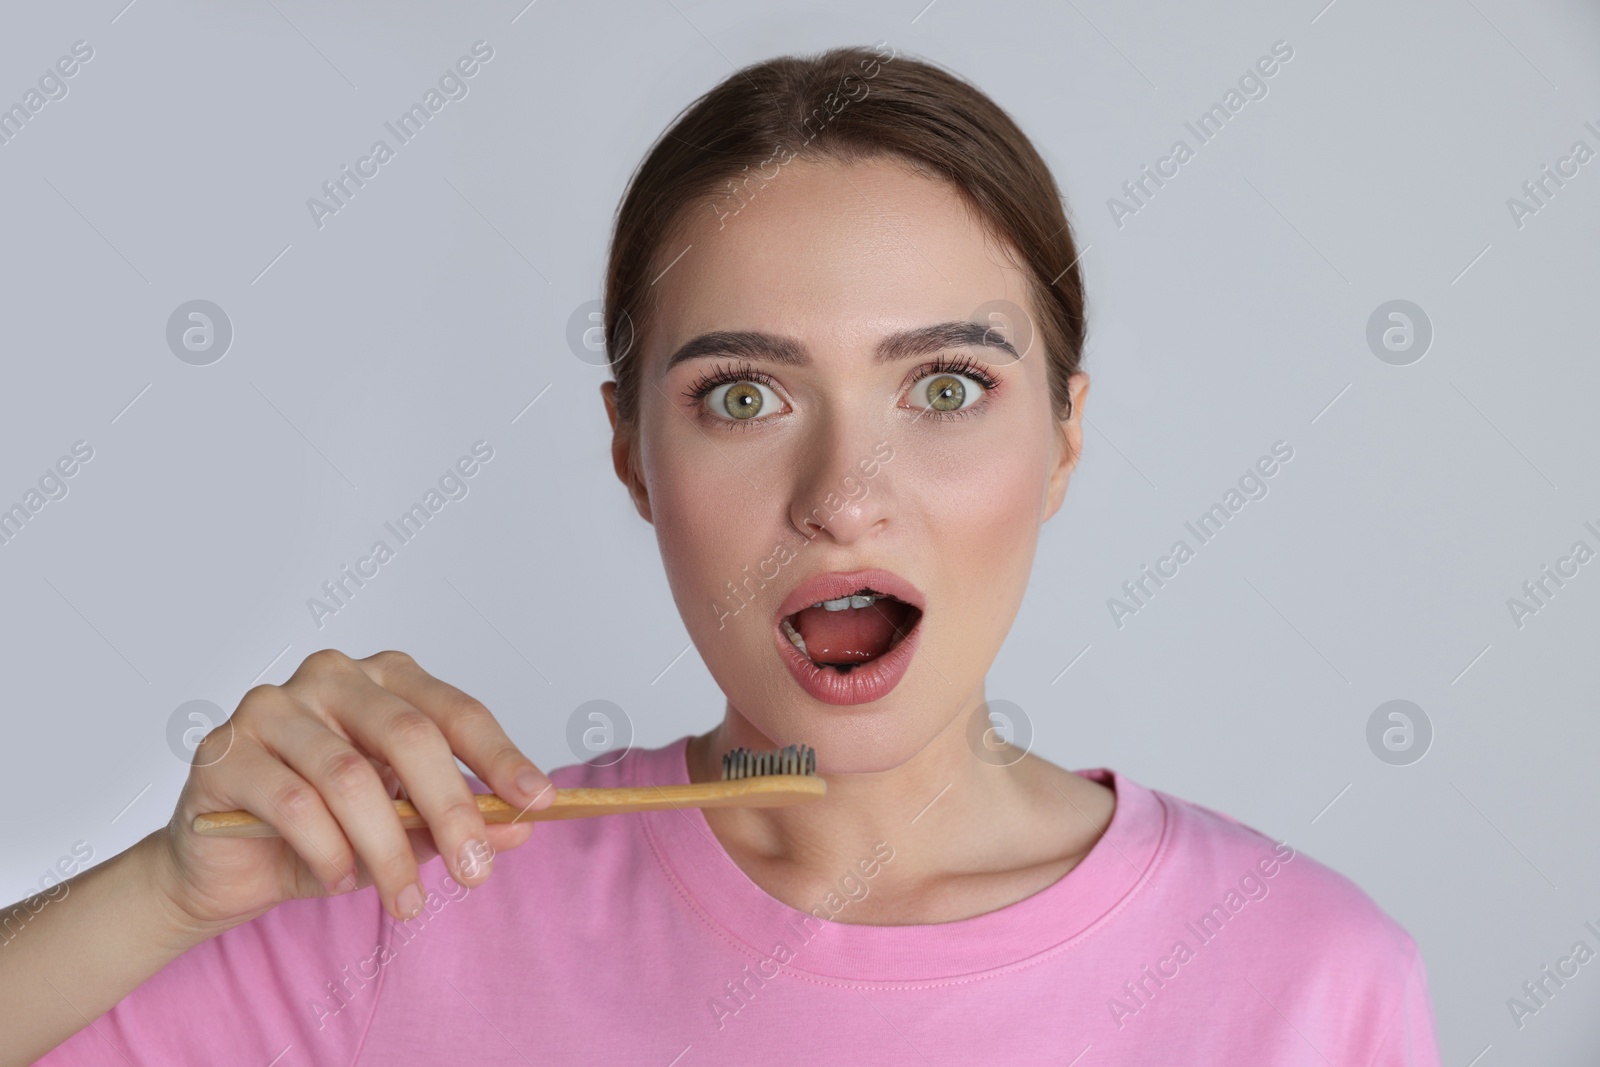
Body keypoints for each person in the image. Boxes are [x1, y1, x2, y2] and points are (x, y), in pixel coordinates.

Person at [9, 43, 1439, 1065]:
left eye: (944, 386)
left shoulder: (1309, 981)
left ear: (1063, 440)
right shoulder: (407, 894)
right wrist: (166, 891)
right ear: (634, 452)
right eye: (743, 396)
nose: (843, 497)